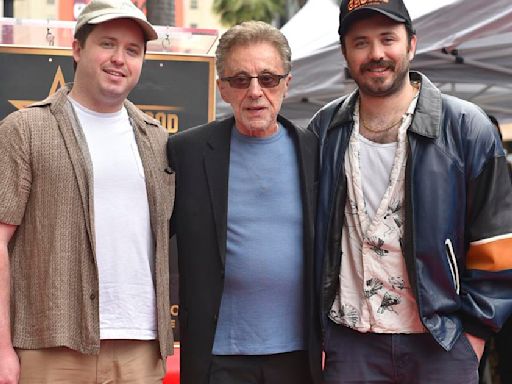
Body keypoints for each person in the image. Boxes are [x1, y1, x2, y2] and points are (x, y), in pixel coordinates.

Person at [308, 1, 512, 383]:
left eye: (388, 39)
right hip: (351, 341)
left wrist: (475, 333)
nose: (376, 54)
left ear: (412, 44)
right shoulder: (325, 130)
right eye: (361, 42)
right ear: (345, 53)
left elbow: (497, 240)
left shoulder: (467, 127)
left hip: (441, 341)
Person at [0, 0, 174, 383]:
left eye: (132, 50)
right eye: (107, 44)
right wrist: (1, 349)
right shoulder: (25, 130)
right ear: (78, 49)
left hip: (139, 347)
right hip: (49, 345)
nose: (119, 59)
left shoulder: (158, 140)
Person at [167, 21, 321, 384]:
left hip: (297, 356)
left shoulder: (315, 152)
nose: (255, 91)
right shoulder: (186, 152)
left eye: (268, 79)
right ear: (222, 88)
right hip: (217, 357)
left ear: (287, 83)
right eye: (240, 79)